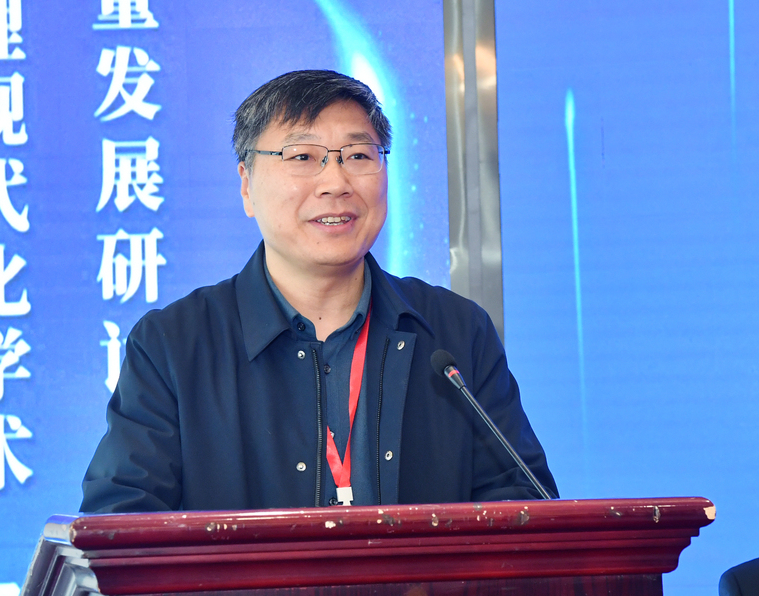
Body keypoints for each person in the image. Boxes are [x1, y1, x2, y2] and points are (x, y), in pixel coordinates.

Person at [80, 69, 557, 513]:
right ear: (246, 184)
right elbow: (121, 523)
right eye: (303, 157)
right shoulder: (174, 344)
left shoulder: (455, 332)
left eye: (358, 156)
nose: (335, 182)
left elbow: (523, 507)